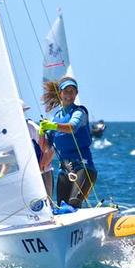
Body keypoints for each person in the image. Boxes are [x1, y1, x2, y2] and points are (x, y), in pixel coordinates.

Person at [39, 77, 96, 211]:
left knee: (73, 203)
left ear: (76, 94)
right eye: (66, 92)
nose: (69, 95)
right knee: (60, 208)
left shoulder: (79, 112)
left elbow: (72, 127)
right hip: (65, 171)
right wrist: (42, 132)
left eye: (73, 92)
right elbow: (46, 147)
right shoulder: (56, 117)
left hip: (84, 168)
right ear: (60, 94)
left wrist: (53, 126)